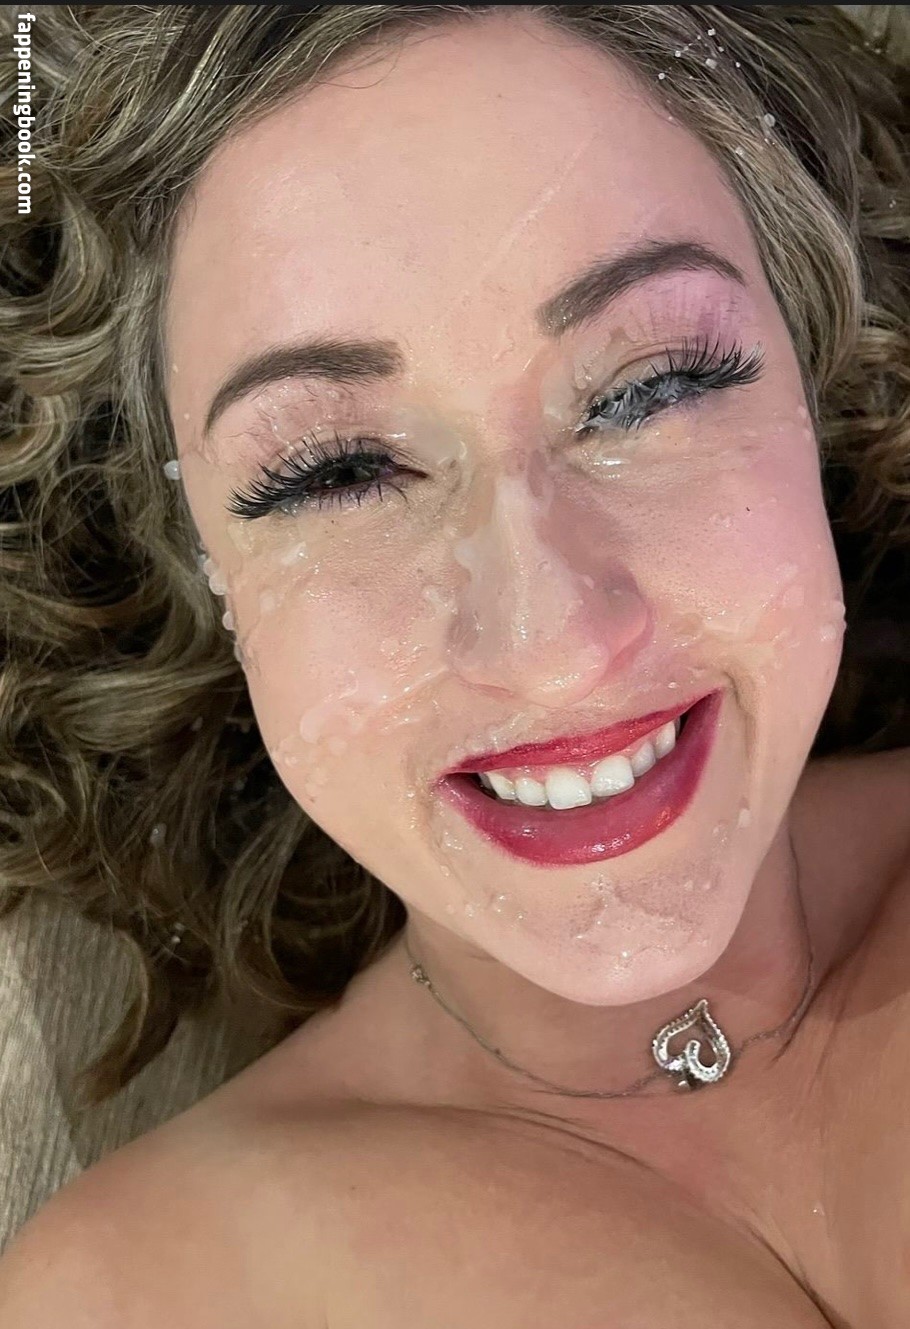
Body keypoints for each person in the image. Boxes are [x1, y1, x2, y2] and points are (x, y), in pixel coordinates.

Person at [0, 4, 908, 1324]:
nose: (553, 646)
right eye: (337, 471)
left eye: (648, 387)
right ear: (198, 563)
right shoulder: (140, 1294)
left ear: (813, 380)